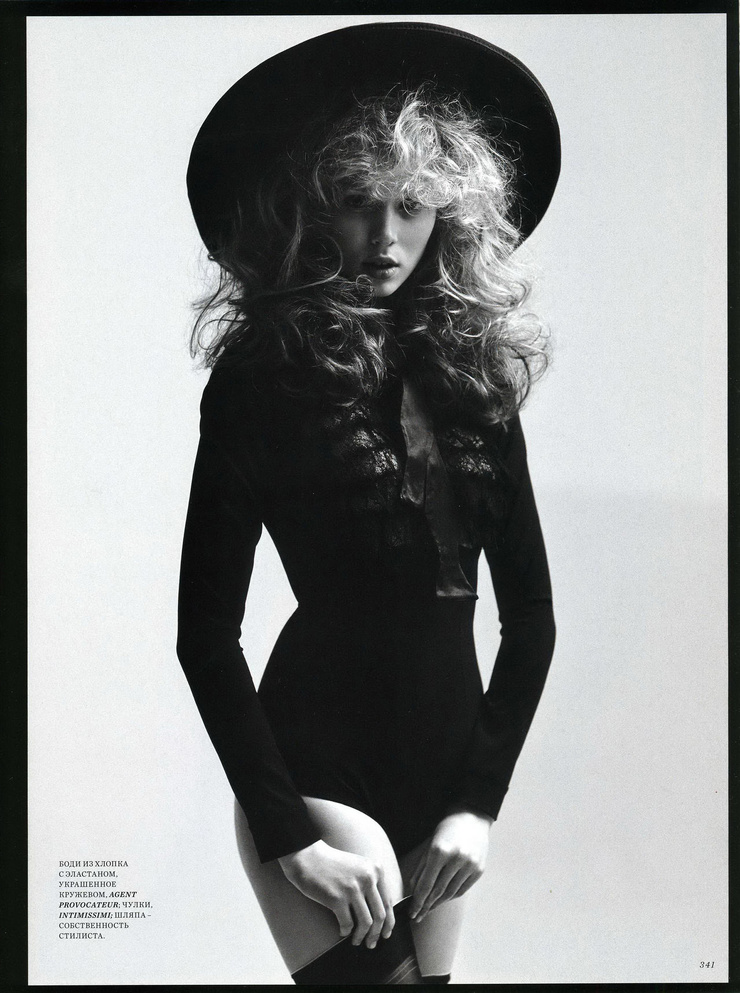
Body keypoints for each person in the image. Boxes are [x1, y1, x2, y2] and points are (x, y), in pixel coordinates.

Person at [178, 22, 560, 985]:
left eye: (412, 206)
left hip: (449, 780)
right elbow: (204, 633)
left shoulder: (478, 381)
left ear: (450, 215)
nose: (386, 237)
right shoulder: (260, 379)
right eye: (356, 202)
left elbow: (532, 619)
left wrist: (479, 804)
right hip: (317, 770)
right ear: (310, 209)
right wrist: (287, 836)